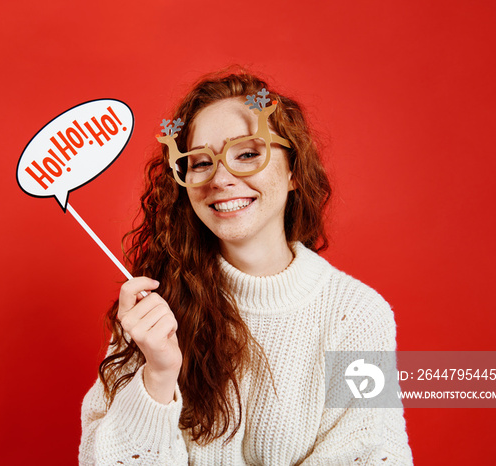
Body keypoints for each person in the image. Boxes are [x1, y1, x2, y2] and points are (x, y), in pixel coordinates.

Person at [79, 69, 413, 465]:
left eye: (248, 154)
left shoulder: (355, 314)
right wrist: (159, 375)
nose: (221, 178)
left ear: (293, 171)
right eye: (200, 162)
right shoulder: (154, 307)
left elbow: (373, 455)